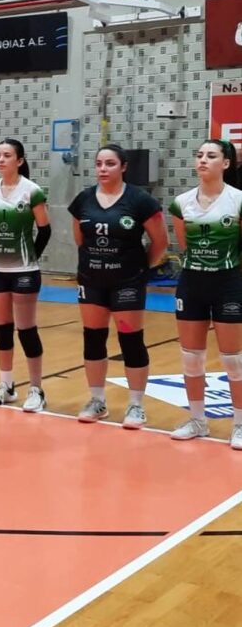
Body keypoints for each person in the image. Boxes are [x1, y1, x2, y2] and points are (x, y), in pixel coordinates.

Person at [68, 143, 168, 427]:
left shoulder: (140, 200)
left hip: (127, 281)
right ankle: (97, 401)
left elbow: (160, 242)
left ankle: (136, 405)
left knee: (131, 340)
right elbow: (80, 239)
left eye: (110, 164)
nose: (103, 169)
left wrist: (139, 270)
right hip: (92, 280)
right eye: (99, 163)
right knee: (93, 338)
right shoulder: (83, 200)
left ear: (123, 167)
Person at [169, 139, 242, 447]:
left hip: (228, 283)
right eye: (199, 155)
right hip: (192, 282)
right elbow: (184, 244)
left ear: (225, 163)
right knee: (191, 357)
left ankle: (239, 424)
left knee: (233, 359)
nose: (202, 160)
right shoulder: (181, 202)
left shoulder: (238, 200)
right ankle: (198, 421)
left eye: (211, 156)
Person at [0, 138, 51, 412]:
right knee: (1, 327)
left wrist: (29, 257)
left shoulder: (31, 191)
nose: (1, 159)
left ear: (19, 161)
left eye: (7, 155)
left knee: (26, 329)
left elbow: (44, 230)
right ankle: (6, 385)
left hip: (25, 271)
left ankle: (36, 389)